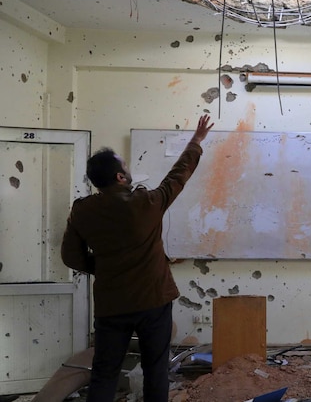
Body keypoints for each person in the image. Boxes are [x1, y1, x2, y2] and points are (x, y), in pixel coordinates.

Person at [61, 115, 214, 402]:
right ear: (120, 177)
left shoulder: (82, 210)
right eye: (125, 166)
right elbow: (178, 176)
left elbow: (70, 256)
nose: (128, 170)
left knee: (105, 372)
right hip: (153, 301)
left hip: (111, 306)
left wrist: (103, 269)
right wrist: (195, 142)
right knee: (155, 369)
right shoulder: (147, 203)